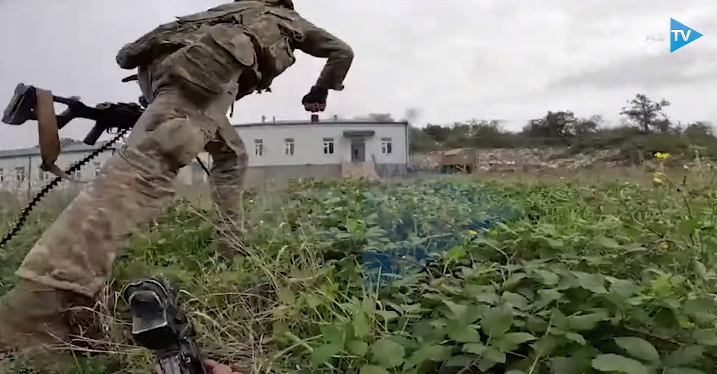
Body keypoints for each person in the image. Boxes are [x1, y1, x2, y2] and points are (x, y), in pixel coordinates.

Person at [0, 0, 353, 361]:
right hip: (201, 78)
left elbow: (140, 51)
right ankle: (44, 306)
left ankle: (231, 247)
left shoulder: (232, 9)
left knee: (231, 154)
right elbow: (342, 52)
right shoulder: (284, 17)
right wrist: (320, 90)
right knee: (142, 173)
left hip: (168, 75)